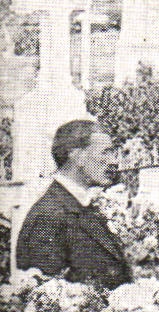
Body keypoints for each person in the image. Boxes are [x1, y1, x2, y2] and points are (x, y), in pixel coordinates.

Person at [15, 119, 130, 289]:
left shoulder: (81, 206)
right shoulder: (49, 215)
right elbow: (48, 300)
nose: (114, 161)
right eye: (106, 152)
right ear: (77, 156)